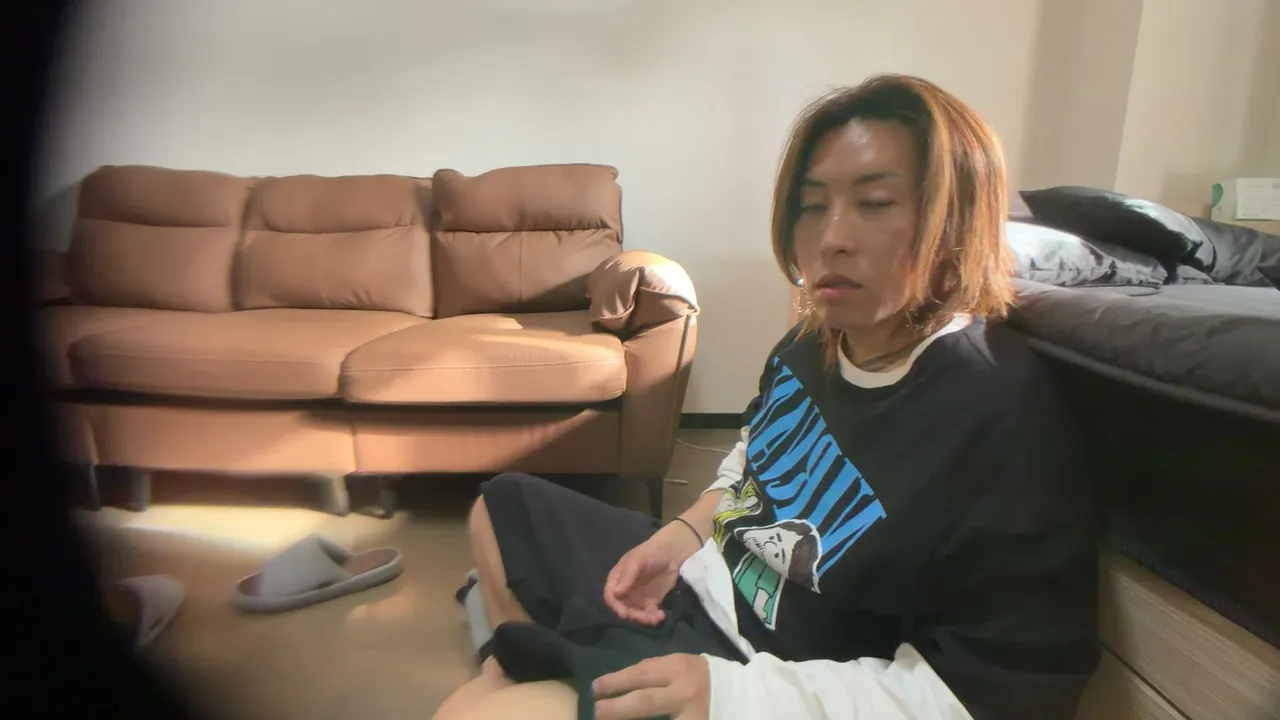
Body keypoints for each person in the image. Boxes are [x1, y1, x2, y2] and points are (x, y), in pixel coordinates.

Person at [431, 74, 1099, 720]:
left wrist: (730, 697)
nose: (831, 238)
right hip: (701, 587)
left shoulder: (997, 416)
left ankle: (544, 675)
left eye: (875, 203)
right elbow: (755, 460)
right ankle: (545, 667)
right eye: (812, 205)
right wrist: (684, 534)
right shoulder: (811, 343)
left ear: (955, 221)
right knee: (502, 506)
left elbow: (1003, 696)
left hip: (776, 677)